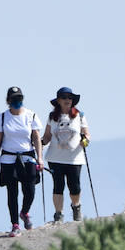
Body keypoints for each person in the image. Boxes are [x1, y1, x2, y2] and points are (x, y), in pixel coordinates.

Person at [0, 86, 44, 237]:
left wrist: (40, 158)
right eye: (14, 99)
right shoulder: (2, 117)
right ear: (8, 101)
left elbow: (36, 138)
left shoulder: (31, 116)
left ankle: (24, 212)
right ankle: (15, 224)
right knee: (11, 193)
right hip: (8, 158)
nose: (17, 102)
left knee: (30, 190)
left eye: (19, 99)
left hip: (27, 157)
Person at [41, 87, 91, 223]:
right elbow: (47, 136)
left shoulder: (80, 116)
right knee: (58, 185)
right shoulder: (52, 117)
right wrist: (38, 143)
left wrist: (85, 140)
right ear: (58, 101)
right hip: (55, 157)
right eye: (64, 97)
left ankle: (76, 207)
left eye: (70, 98)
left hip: (74, 158)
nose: (67, 100)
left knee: (74, 186)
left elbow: (86, 134)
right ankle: (58, 214)